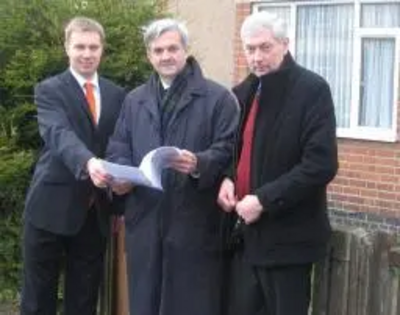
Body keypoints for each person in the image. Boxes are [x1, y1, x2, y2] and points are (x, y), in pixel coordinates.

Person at [104, 18, 239, 315]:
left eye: (172, 48)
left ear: (185, 50)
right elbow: (118, 147)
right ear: (149, 56)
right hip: (145, 220)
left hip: (194, 221)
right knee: (145, 303)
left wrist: (198, 163)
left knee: (191, 304)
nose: (166, 56)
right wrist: (121, 177)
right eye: (158, 50)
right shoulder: (134, 100)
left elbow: (230, 150)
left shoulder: (218, 99)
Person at [217, 11, 338, 315]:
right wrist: (227, 178)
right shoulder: (241, 93)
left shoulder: (312, 90)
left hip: (289, 243)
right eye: (250, 48)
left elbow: (321, 164)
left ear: (285, 44)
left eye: (265, 47)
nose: (257, 57)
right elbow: (234, 152)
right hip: (245, 240)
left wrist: (264, 200)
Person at [21, 17, 126, 315]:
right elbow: (58, 134)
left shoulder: (118, 95)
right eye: (79, 46)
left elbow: (120, 147)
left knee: (84, 301)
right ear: (67, 48)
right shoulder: (49, 90)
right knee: (38, 299)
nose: (87, 53)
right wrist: (88, 161)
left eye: (93, 46)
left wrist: (119, 202)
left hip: (95, 214)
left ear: (102, 50)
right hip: (48, 210)